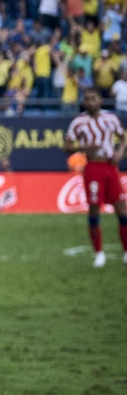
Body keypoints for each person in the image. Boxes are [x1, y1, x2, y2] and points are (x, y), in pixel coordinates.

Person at [64, 86, 126, 269]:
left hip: (110, 166)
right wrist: (83, 148)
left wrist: (119, 153)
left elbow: (122, 138)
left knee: (122, 210)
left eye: (93, 98)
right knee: (93, 209)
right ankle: (99, 253)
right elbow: (67, 147)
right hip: (92, 167)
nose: (90, 102)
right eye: (87, 99)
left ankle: (126, 251)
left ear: (100, 100)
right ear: (84, 102)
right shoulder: (79, 122)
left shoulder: (111, 118)